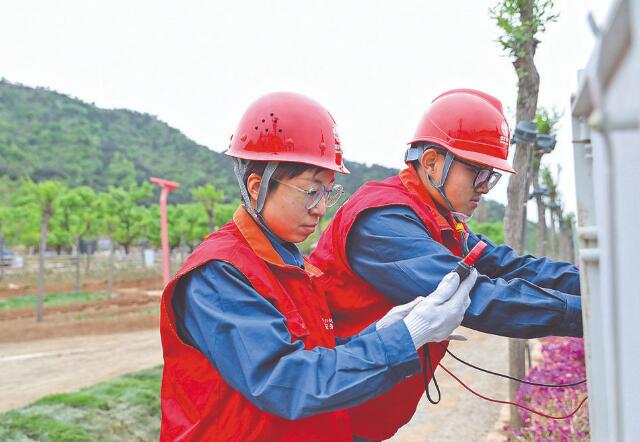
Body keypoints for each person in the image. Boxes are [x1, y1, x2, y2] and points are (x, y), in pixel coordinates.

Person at [159, 92, 478, 441]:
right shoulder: (219, 275)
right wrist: (407, 335)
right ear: (256, 187)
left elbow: (316, 356)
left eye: (328, 192)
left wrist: (380, 333)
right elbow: (286, 381)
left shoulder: (291, 264)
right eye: (311, 191)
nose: (321, 208)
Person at [311, 88, 583, 441]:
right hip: (331, 415)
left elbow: (507, 266)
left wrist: (596, 284)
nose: (485, 189)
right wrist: (592, 316)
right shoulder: (383, 221)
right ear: (433, 162)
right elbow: (476, 298)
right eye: (479, 174)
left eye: (492, 177)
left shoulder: (437, 220)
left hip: (359, 410)